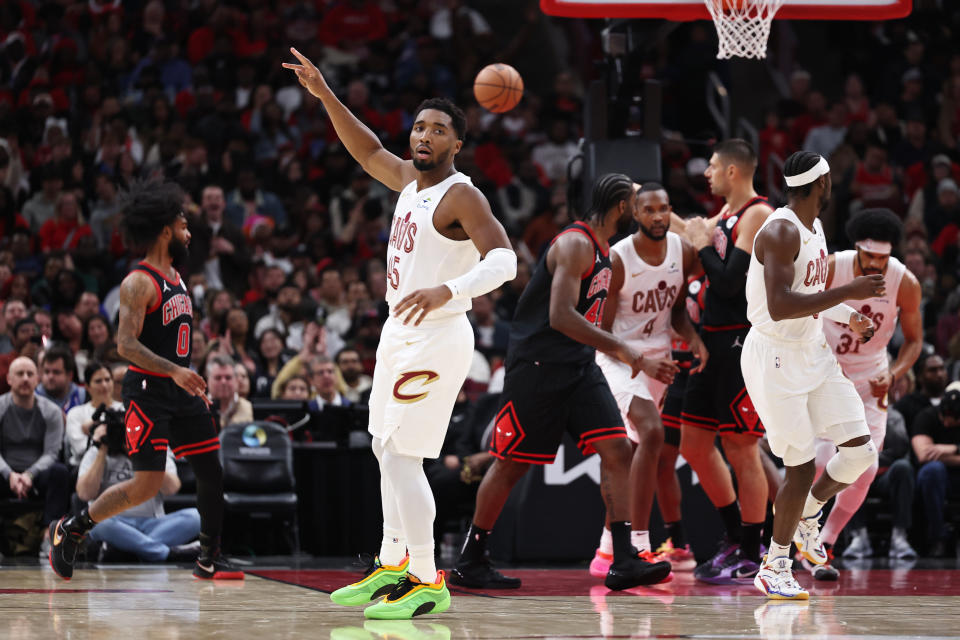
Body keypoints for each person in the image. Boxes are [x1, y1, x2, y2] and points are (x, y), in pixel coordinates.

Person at [285, 48, 516, 619]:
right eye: (419, 127)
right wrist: (324, 95)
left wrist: (450, 289)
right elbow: (365, 148)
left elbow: (506, 261)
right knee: (384, 448)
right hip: (399, 331)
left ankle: (425, 575)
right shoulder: (410, 183)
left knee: (406, 458)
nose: (425, 136)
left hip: (437, 333)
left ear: (456, 145)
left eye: (439, 130)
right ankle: (391, 565)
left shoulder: (461, 193)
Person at [451, 174, 672, 592]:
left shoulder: (605, 248)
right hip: (539, 367)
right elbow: (561, 316)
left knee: (618, 448)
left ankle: (622, 558)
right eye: (637, 204)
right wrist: (624, 349)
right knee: (511, 463)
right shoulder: (575, 243)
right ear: (623, 207)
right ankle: (472, 557)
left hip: (579, 366)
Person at [48, 179, 243, 582]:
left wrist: (187, 375)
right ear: (167, 229)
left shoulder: (177, 275)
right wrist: (174, 370)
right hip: (148, 393)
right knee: (145, 485)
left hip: (180, 390)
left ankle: (209, 556)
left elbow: (175, 343)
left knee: (211, 469)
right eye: (185, 226)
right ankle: (74, 528)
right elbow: (124, 345)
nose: (191, 234)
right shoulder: (138, 282)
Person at [742, 151, 884, 600]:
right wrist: (854, 291)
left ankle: (807, 518)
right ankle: (775, 564)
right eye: (829, 178)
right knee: (800, 465)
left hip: (812, 349)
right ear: (820, 182)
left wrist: (846, 315)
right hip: (776, 357)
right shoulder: (782, 230)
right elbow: (782, 304)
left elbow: (813, 293)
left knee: (861, 453)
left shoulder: (814, 227)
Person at [589, 183, 707, 578]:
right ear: (634, 214)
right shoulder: (619, 258)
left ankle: (607, 548)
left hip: (661, 359)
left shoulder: (683, 251)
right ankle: (637, 545)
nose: (657, 217)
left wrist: (692, 338)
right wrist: (640, 360)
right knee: (652, 433)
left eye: (664, 209)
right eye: (649, 210)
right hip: (619, 356)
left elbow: (676, 312)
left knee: (635, 451)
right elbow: (602, 332)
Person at [673, 140, 774, 583]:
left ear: (733, 170)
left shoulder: (757, 214)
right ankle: (736, 533)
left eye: (713, 166)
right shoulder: (726, 216)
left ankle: (753, 548)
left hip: (740, 344)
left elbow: (731, 281)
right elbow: (693, 232)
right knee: (693, 445)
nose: (707, 173)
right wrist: (643, 198)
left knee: (741, 447)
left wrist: (702, 246)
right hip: (710, 345)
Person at [809, 209, 923, 579]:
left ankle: (825, 543)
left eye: (882, 257)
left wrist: (894, 373)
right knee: (821, 461)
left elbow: (915, 341)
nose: (876, 263)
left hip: (871, 378)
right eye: (869, 256)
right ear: (856, 248)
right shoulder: (831, 267)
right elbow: (801, 311)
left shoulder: (904, 282)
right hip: (826, 371)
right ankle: (802, 537)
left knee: (867, 468)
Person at [76, 419, 202, 563]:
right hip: (114, 523)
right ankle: (164, 553)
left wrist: (140, 455)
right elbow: (85, 493)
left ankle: (127, 549)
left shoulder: (154, 448)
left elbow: (171, 488)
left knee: (196, 516)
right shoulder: (96, 451)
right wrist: (102, 450)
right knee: (97, 522)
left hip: (153, 524)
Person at [0, 357, 70, 557]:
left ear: (37, 379)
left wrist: (29, 475)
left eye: (30, 374)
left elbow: (51, 453)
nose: (25, 378)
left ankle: (49, 537)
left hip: (37, 475)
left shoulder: (51, 411)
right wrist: (10, 475)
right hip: (5, 474)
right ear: (9, 379)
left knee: (60, 472)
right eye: (19, 374)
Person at [911, 389, 960, 557]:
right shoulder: (926, 416)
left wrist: (952, 448)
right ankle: (937, 537)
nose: (946, 424)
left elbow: (934, 454)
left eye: (953, 420)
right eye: (943, 418)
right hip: (936, 480)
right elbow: (924, 455)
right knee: (933, 470)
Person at [65, 361, 125, 467]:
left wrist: (93, 432)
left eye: (107, 380)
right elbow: (80, 449)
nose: (104, 385)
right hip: (85, 468)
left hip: (122, 466)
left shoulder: (124, 409)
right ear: (87, 386)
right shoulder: (75, 413)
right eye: (98, 381)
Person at [894, 353, 947, 431]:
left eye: (942, 368)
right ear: (919, 376)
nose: (939, 374)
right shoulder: (905, 405)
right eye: (932, 370)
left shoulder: (954, 400)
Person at [37, 344, 88, 413]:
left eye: (56, 372)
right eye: (47, 372)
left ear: (70, 376)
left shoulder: (82, 396)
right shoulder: (33, 397)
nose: (50, 377)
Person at [206, 355, 253, 427]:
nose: (223, 382)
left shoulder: (247, 407)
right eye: (218, 378)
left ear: (236, 380)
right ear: (208, 380)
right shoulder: (200, 407)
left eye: (228, 377)